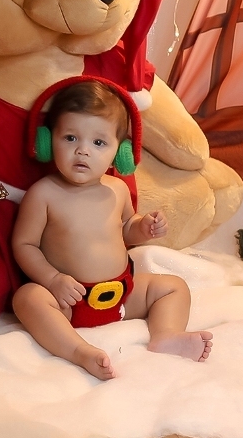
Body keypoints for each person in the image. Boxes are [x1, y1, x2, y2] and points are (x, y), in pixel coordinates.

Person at [11, 80, 213, 380]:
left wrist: (143, 227)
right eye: (70, 137)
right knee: (27, 298)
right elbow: (24, 245)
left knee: (174, 286)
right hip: (70, 301)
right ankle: (78, 350)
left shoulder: (117, 189)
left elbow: (127, 229)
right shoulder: (44, 194)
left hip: (122, 295)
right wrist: (52, 280)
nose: (82, 151)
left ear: (120, 152)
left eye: (98, 143)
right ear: (47, 141)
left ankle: (166, 335)